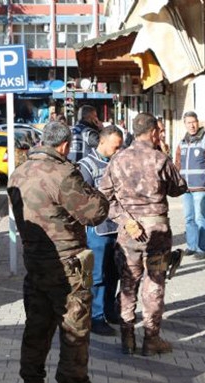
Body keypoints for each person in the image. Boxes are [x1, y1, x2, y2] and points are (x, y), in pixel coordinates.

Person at [7, 121, 109, 383]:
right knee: (74, 332)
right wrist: (98, 194)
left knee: (36, 328)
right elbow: (94, 213)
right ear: (64, 146)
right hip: (66, 267)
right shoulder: (63, 174)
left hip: (34, 265)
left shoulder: (18, 173)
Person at [99, 112, 188, 356]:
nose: (160, 134)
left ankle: (127, 339)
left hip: (129, 235)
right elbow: (179, 188)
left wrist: (126, 220)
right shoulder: (160, 159)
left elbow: (103, 198)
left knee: (128, 284)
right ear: (152, 133)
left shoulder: (117, 160)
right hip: (157, 233)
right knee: (155, 284)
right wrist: (167, 156)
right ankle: (151, 339)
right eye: (159, 131)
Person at [78, 125, 124, 336]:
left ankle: (109, 311)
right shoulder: (86, 166)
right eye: (115, 147)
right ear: (103, 142)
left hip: (119, 227)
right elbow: (82, 200)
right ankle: (96, 318)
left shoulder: (119, 162)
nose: (117, 151)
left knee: (114, 272)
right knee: (98, 276)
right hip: (98, 230)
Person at [174, 111, 205, 259]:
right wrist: (176, 184)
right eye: (188, 122)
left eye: (193, 122)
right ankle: (191, 246)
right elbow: (177, 165)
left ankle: (202, 249)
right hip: (186, 188)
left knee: (201, 218)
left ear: (198, 122)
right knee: (189, 218)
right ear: (185, 124)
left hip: (201, 186)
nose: (192, 125)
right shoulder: (182, 142)